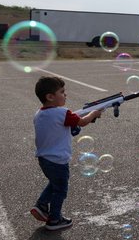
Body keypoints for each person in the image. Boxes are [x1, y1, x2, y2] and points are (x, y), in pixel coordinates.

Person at [31, 76, 102, 230]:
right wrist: (94, 114)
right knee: (60, 190)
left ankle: (42, 205)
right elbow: (82, 122)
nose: (65, 95)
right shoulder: (62, 113)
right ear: (50, 97)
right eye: (62, 92)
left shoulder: (39, 114)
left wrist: (82, 118)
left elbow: (67, 127)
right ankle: (55, 220)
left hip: (44, 159)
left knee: (55, 183)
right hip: (58, 160)